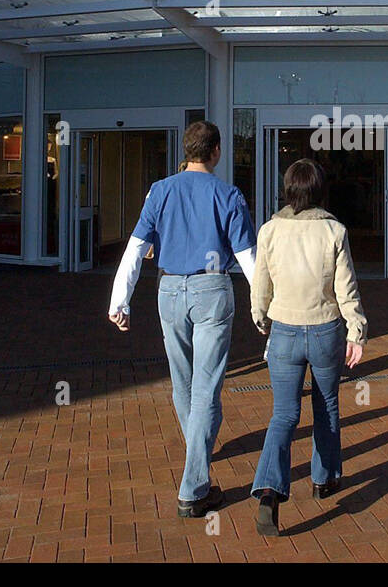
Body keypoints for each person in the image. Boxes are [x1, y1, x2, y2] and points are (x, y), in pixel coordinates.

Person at [107, 120, 257, 519]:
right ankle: (194, 487)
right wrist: (264, 306)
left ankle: (198, 448)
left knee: (183, 382)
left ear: (188, 150)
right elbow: (247, 258)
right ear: (216, 151)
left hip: (169, 290)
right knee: (207, 388)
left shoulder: (160, 191)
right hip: (212, 291)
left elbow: (136, 248)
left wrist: (119, 300)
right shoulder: (228, 194)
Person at [249, 158, 367, 537]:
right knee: (326, 406)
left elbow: (260, 285)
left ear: (288, 189)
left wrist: (261, 319)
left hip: (283, 327)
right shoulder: (334, 230)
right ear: (319, 189)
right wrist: (356, 331)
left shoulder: (269, 230)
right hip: (324, 328)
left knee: (283, 414)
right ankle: (324, 478)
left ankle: (269, 490)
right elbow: (345, 288)